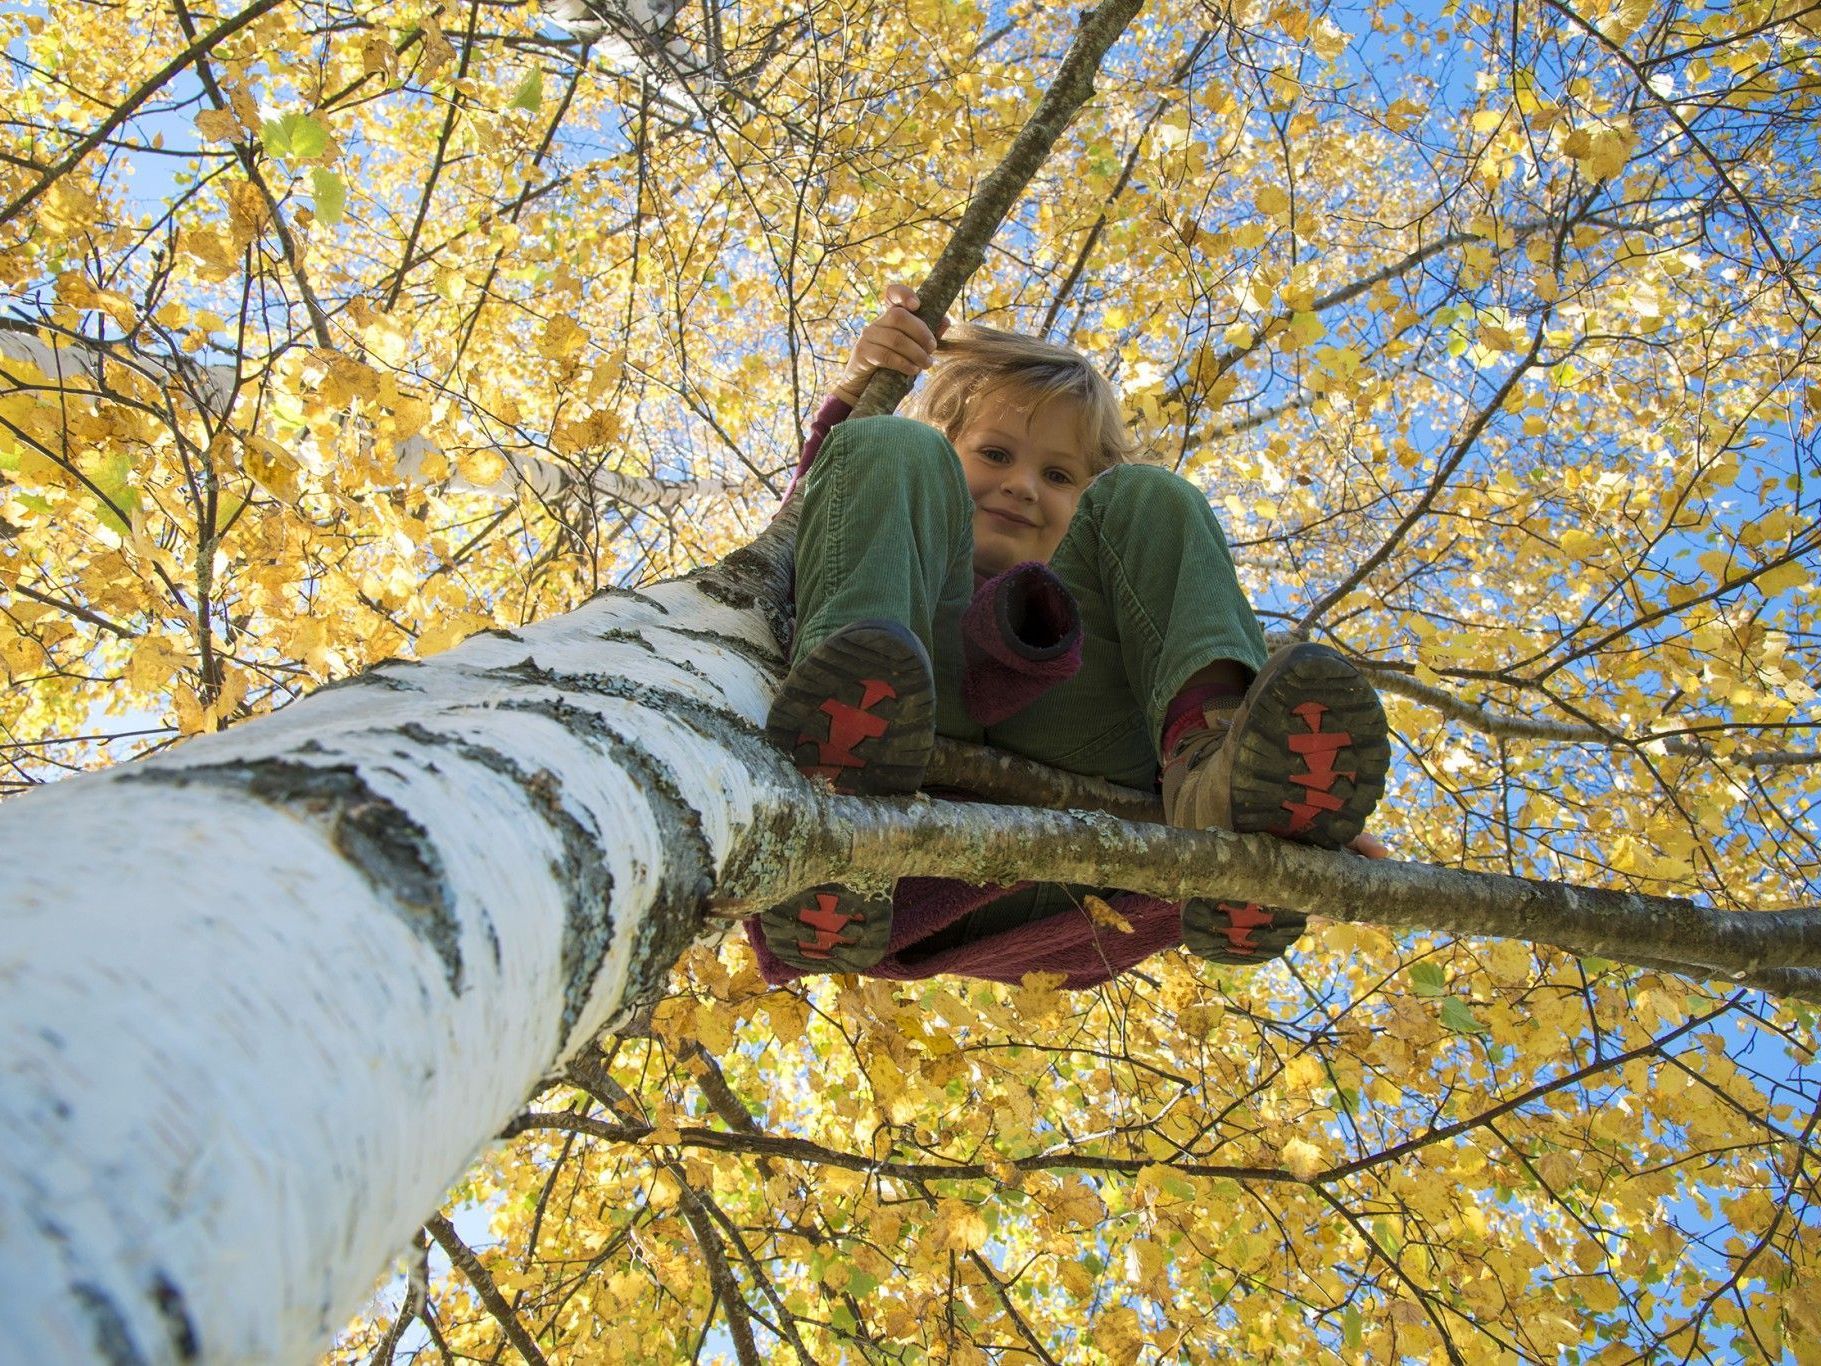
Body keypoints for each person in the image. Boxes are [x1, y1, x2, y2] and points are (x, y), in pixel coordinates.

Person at [747, 283, 1390, 988]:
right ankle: (838, 759)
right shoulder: (905, 497)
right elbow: (804, 537)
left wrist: (1298, 817)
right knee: (886, 442)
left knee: (1155, 494)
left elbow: (1188, 624)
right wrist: (859, 395)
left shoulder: (1113, 591)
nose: (1022, 485)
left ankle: (1223, 796)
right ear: (949, 462)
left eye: (1057, 475)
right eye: (993, 454)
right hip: (880, 839)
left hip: (1071, 864)